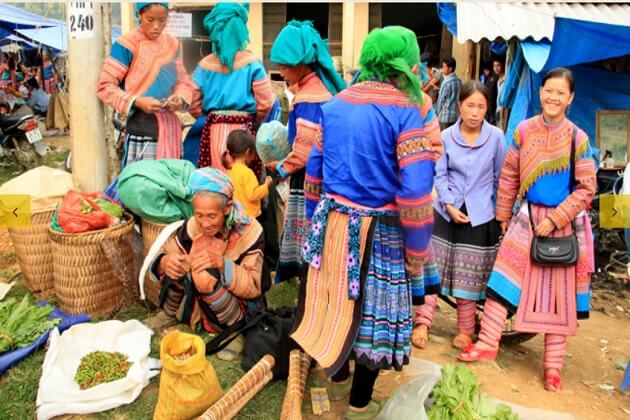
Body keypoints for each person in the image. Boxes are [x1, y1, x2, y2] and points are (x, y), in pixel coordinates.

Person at [291, 26, 441, 419]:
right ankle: (358, 406)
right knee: (374, 320)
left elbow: (314, 173)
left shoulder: (336, 103)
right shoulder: (406, 110)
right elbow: (415, 192)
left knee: (337, 309)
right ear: (403, 63)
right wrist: (417, 249)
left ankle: (337, 384)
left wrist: (314, 225)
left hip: (335, 227)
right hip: (382, 234)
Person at [458, 68, 596, 393]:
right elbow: (508, 175)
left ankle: (552, 368)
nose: (553, 97)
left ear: (570, 98)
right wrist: (504, 215)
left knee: (558, 298)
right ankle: (488, 343)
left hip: (563, 227)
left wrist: (557, 218)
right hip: (526, 219)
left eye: (561, 93)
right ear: (542, 92)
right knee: (502, 281)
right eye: (549, 90)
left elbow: (586, 188)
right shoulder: (523, 130)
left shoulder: (578, 137)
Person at [412, 81, 506, 350]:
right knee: (433, 269)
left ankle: (465, 329)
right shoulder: (445, 136)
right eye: (470, 105)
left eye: (481, 106)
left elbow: (501, 177)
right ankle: (423, 322)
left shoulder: (496, 138)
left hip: (481, 215)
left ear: (488, 108)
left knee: (470, 275)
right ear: (459, 105)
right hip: (445, 211)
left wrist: (502, 215)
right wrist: (449, 204)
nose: (475, 112)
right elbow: (439, 174)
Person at [268, 20, 346, 283]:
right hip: (330, 175)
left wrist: (279, 168)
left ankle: (310, 281)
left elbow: (304, 151)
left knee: (310, 229)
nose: (281, 72)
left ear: (300, 64)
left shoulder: (308, 97)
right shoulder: (325, 89)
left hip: (310, 177)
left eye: (283, 66)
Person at [149, 167, 267, 338]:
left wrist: (221, 264)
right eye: (199, 215)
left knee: (205, 275)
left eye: (212, 216)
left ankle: (234, 331)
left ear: (227, 208)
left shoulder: (251, 232)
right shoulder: (191, 226)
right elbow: (166, 257)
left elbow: (254, 286)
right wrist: (165, 262)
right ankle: (170, 313)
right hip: (201, 301)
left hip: (239, 305)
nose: (204, 224)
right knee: (177, 264)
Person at [97, 2, 194, 167]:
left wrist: (179, 98)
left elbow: (183, 81)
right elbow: (105, 86)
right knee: (143, 185)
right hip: (141, 130)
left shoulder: (172, 44)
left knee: (170, 185)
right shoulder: (126, 44)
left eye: (162, 20)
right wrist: (137, 101)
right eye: (150, 19)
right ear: (139, 15)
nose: (156, 26)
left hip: (171, 129)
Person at [189, 3, 274, 170]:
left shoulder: (203, 65)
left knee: (216, 182)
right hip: (244, 134)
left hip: (212, 132)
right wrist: (251, 121)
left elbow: (193, 105)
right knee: (244, 183)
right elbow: (266, 104)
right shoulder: (252, 63)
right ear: (240, 30)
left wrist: (212, 118)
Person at [223, 129, 273, 218]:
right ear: (248, 152)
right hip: (249, 216)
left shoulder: (230, 170)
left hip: (236, 215)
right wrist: (266, 185)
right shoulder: (247, 173)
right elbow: (253, 195)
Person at [435, 57, 462, 131]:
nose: (442, 69)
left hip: (444, 117)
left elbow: (441, 100)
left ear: (450, 69)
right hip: (455, 117)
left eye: (444, 67)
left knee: (443, 139)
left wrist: (436, 113)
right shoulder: (459, 81)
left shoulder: (446, 82)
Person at [493, 58, 506, 129]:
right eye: (494, 66)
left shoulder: (506, 80)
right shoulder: (498, 80)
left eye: (498, 66)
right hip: (498, 108)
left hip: (503, 109)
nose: (496, 68)